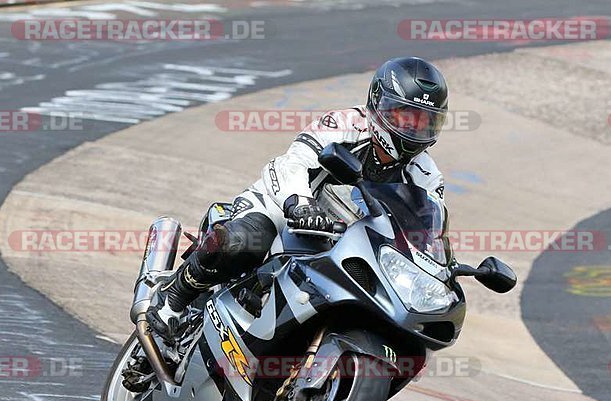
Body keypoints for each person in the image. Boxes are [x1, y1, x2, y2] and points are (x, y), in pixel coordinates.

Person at [147, 56, 449, 342]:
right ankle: (173, 297)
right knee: (243, 242)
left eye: (424, 121)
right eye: (405, 116)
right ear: (378, 103)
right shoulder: (344, 124)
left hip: (347, 242)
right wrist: (299, 203)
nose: (413, 128)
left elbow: (428, 229)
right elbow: (292, 162)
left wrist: (442, 268)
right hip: (286, 208)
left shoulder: (426, 174)